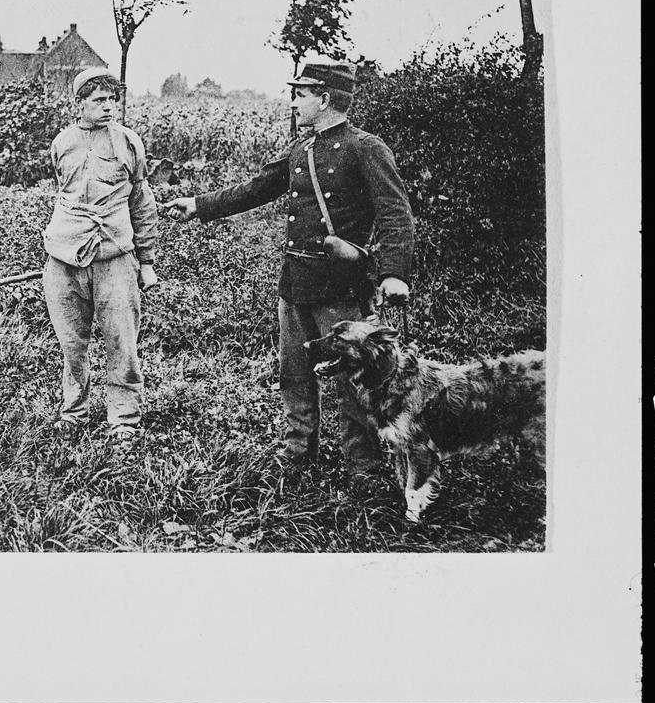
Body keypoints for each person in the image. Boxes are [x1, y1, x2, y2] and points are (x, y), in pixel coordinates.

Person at [167, 60, 414, 485]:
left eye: (301, 94)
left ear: (326, 98)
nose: (294, 101)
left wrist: (393, 272)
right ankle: (298, 452)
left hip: (341, 287)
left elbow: (396, 213)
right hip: (295, 281)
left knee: (352, 378)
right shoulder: (303, 148)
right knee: (294, 371)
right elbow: (259, 186)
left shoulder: (366, 148)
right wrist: (202, 204)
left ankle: (363, 468)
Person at [42, 68, 160, 446]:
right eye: (98, 100)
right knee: (70, 342)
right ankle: (73, 411)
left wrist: (147, 262)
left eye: (112, 99)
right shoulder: (62, 142)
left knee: (121, 341)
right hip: (65, 257)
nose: (109, 106)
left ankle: (123, 419)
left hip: (114, 258)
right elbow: (64, 192)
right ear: (79, 105)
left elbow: (141, 203)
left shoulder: (128, 142)